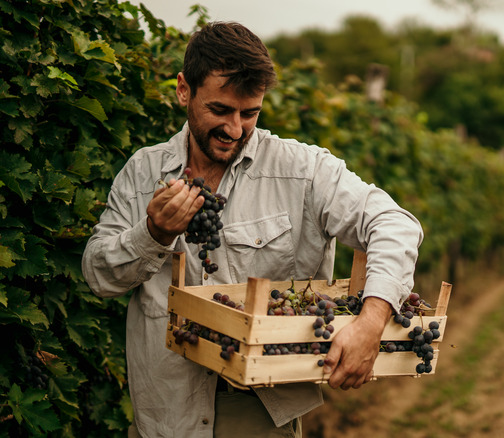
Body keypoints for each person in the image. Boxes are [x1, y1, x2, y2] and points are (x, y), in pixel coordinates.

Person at [81, 21, 423, 438]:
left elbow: (395, 223)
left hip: (260, 413)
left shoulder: (302, 172)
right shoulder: (142, 173)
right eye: (220, 111)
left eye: (250, 113)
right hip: (163, 417)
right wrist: (151, 233)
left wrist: (370, 324)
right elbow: (98, 276)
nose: (235, 129)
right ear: (183, 89)